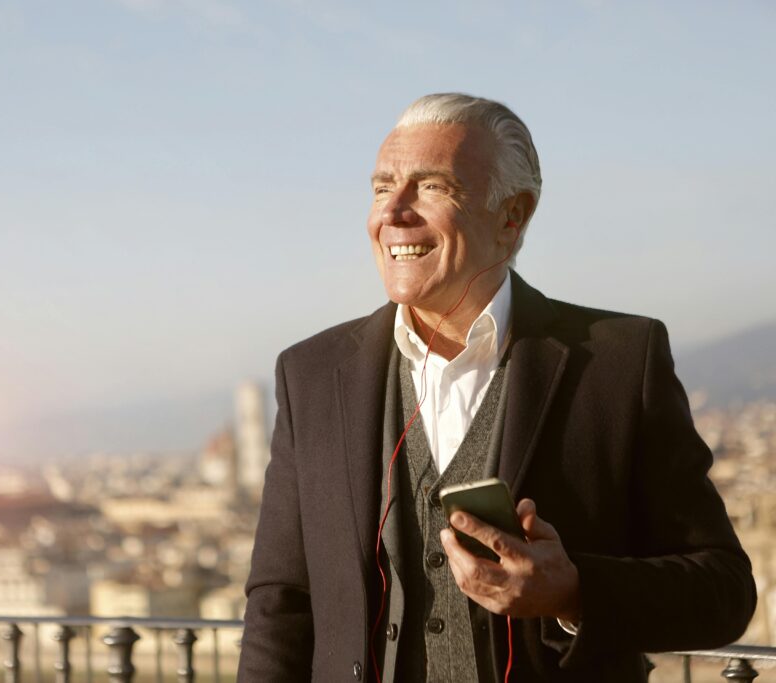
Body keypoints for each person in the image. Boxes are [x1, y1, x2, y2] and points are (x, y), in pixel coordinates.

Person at [237, 93, 756, 682]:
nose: (394, 213)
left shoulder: (617, 364)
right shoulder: (311, 373)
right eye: (382, 187)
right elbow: (280, 605)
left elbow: (724, 590)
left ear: (513, 215)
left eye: (431, 187)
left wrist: (574, 592)